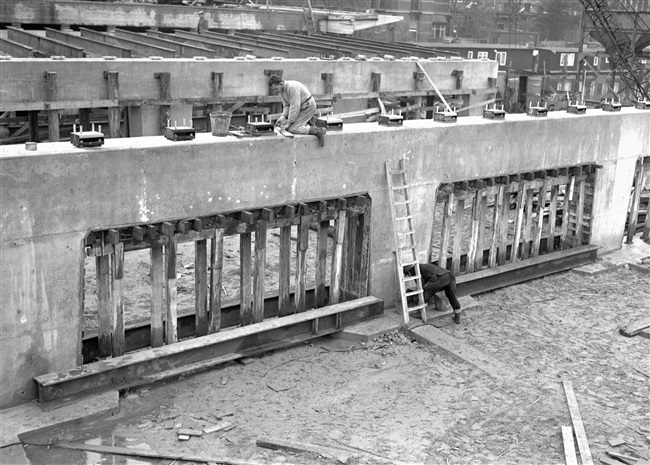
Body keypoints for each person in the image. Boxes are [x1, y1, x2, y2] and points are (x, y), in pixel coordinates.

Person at [268, 75, 326, 147]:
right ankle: (309, 121)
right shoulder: (282, 91)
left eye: (276, 89)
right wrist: (282, 117)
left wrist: (289, 122)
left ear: (281, 84)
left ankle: (318, 131)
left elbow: (295, 107)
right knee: (286, 125)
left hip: (308, 106)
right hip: (301, 107)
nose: (275, 91)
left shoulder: (292, 87)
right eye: (274, 89)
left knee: (292, 128)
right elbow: (287, 106)